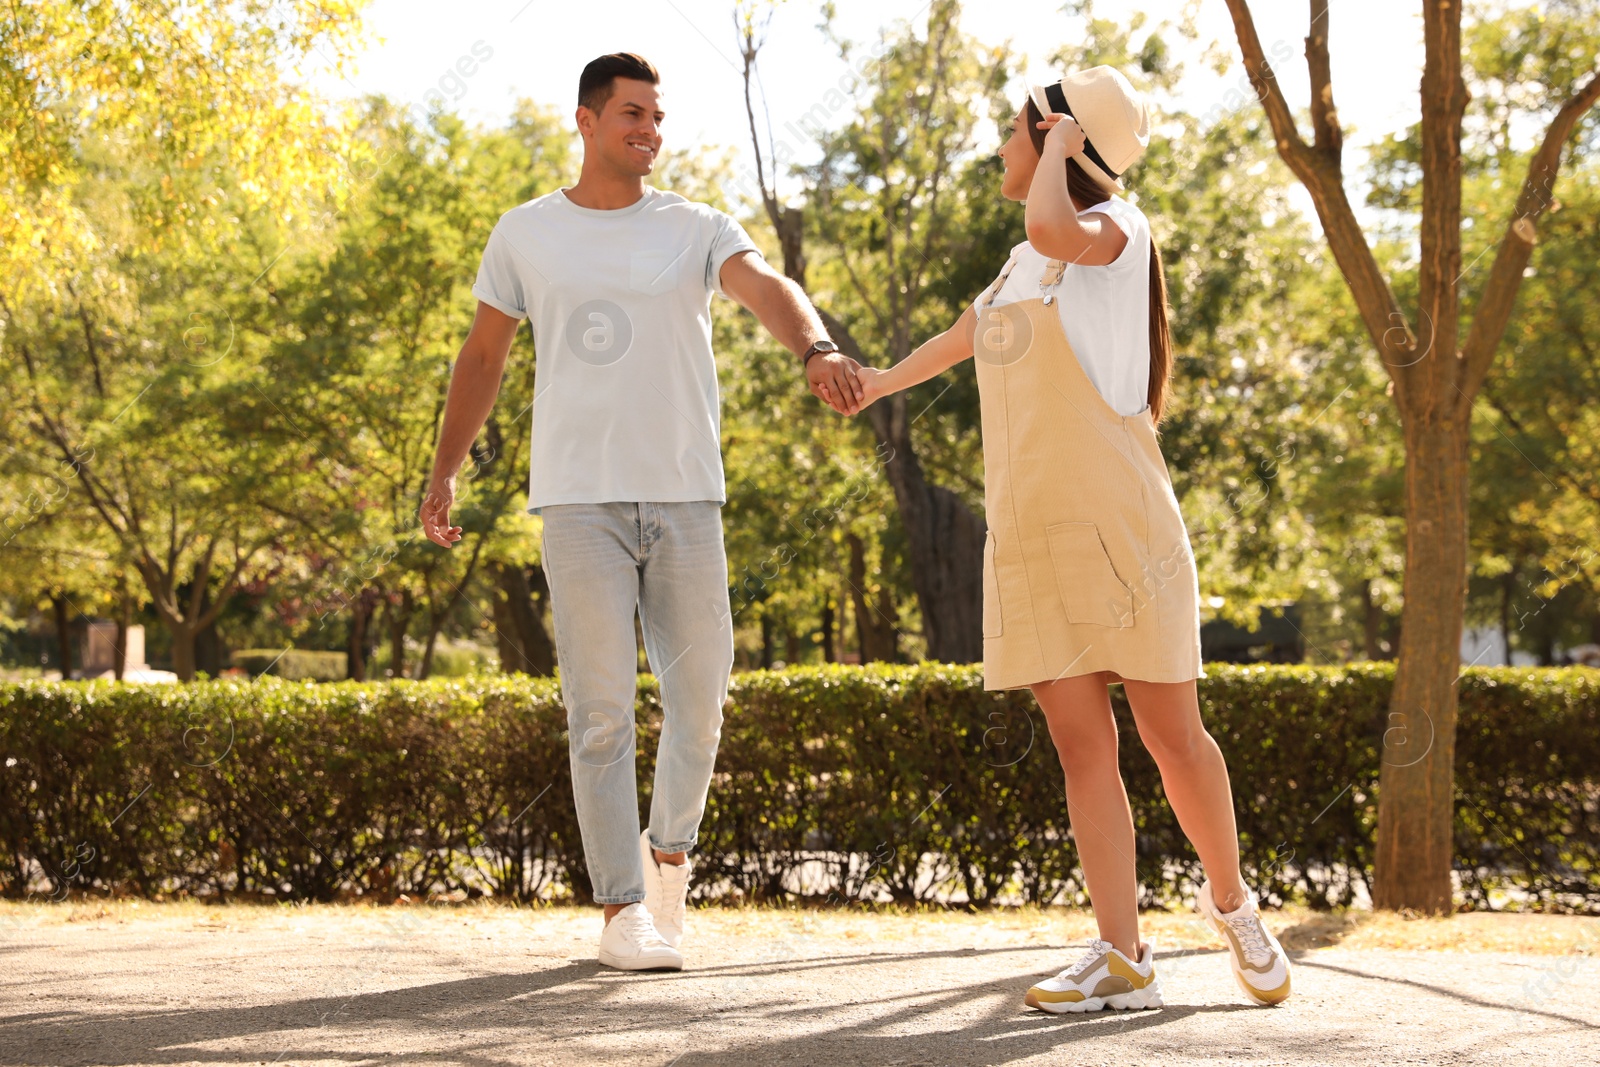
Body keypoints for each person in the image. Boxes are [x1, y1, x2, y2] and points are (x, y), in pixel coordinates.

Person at [825, 66, 1292, 1012]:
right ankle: (1121, 952)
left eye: (1015, 132)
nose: (1001, 148)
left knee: (1171, 734)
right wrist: (877, 382)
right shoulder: (1020, 260)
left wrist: (1063, 147)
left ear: (1055, 139)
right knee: (1083, 744)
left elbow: (1055, 226)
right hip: (1030, 522)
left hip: (1121, 519)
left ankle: (1235, 905)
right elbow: (970, 332)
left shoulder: (1120, 229)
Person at [420, 52, 863, 972]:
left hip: (687, 495)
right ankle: (621, 908)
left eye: (657, 116)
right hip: (579, 502)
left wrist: (815, 345)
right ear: (585, 121)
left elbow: (766, 286)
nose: (649, 131)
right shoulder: (525, 233)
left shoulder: (697, 226)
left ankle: (669, 860)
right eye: (631, 114)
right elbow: (483, 359)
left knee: (700, 703)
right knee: (600, 710)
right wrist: (445, 468)